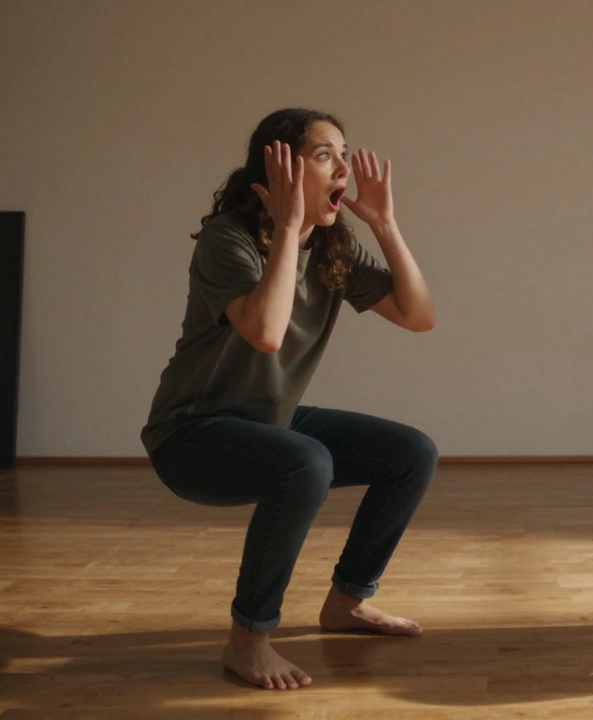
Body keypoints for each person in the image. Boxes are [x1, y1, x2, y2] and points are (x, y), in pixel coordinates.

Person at [141, 108, 438, 690]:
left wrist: (384, 225)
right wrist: (287, 228)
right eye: (325, 155)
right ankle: (248, 639)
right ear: (279, 169)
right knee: (307, 461)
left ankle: (347, 603)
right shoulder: (227, 240)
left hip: (269, 424)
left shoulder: (331, 249)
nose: (343, 169)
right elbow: (266, 332)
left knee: (411, 453)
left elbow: (419, 316)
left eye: (344, 155)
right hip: (190, 434)